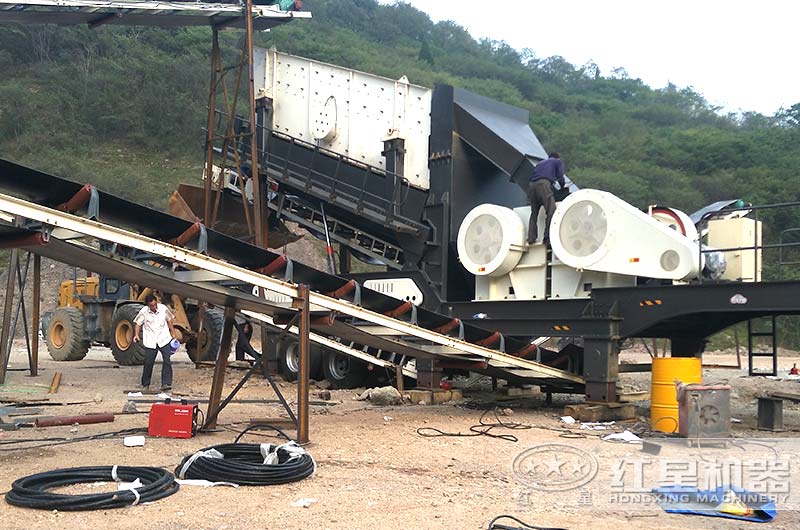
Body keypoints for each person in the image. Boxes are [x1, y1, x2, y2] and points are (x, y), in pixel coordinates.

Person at [133, 294, 177, 391]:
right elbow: (138, 323)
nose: (154, 307)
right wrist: (136, 335)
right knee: (148, 362)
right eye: (152, 306)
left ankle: (166, 383)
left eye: (155, 305)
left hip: (163, 338)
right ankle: (145, 384)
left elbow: (169, 320)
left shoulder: (163, 309)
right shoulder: (144, 311)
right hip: (151, 340)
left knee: (167, 360)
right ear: (148, 305)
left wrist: (173, 333)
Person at [527, 152, 565, 245]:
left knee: (534, 213)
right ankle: (547, 238)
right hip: (543, 185)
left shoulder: (540, 163)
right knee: (551, 210)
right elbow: (560, 176)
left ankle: (531, 238)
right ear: (557, 158)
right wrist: (562, 185)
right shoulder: (557, 161)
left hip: (531, 186)